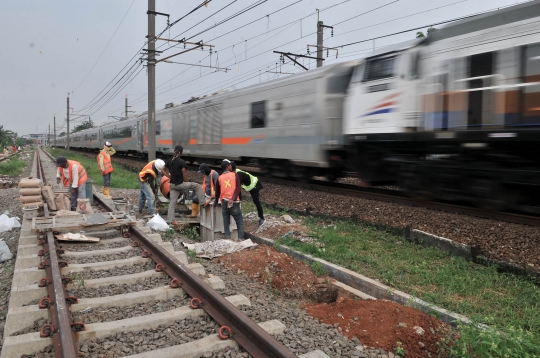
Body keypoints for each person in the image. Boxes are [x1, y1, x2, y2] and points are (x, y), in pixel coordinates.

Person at [161, 145, 204, 222]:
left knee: (172, 203)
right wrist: (186, 183)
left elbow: (163, 169)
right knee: (197, 186)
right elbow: (184, 174)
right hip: (180, 184)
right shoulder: (181, 162)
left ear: (175, 151)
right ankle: (202, 203)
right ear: (181, 152)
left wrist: (168, 176)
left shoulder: (169, 160)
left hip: (172, 185)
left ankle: (170, 220)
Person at [214, 159, 244, 240]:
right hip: (233, 202)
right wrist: (233, 198)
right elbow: (238, 189)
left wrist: (216, 202)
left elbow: (217, 192)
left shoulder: (219, 178)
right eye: (230, 165)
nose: (231, 166)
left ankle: (227, 238)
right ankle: (240, 239)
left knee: (226, 222)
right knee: (239, 221)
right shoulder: (234, 175)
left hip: (224, 202)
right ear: (227, 166)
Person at [231, 161, 265, 227]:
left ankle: (262, 218)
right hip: (251, 187)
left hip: (255, 185)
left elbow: (238, 188)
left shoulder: (238, 174)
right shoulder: (235, 173)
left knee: (256, 202)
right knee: (255, 201)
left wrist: (239, 199)